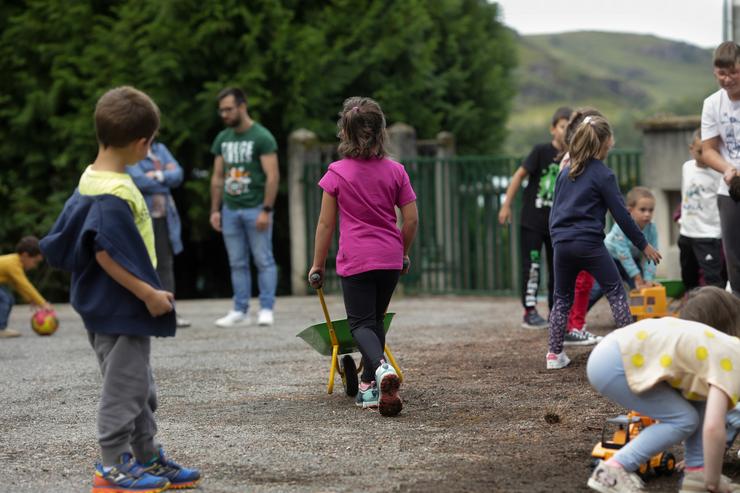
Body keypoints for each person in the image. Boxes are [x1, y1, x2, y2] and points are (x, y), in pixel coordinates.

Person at [39, 86, 200, 492]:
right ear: (142, 143)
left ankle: (145, 456)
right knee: (125, 388)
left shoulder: (92, 179)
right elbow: (105, 252)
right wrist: (148, 293)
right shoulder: (115, 193)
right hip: (123, 307)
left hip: (107, 305)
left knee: (139, 386)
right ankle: (112, 465)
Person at [308, 96, 418, 417]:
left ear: (344, 131)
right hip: (388, 259)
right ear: (382, 131)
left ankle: (382, 370)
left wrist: (318, 264)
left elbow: (326, 223)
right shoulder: (396, 171)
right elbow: (410, 220)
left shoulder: (337, 173)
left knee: (359, 325)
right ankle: (371, 388)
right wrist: (403, 253)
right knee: (375, 321)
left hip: (356, 260)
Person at [586, 286, 740, 493]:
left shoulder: (719, 350)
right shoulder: (733, 359)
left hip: (614, 352)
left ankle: (696, 473)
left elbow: (705, 412)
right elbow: (713, 428)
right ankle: (613, 469)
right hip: (615, 361)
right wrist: (713, 481)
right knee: (683, 419)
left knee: (697, 405)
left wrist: (701, 473)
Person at [547, 114, 661, 370]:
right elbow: (622, 214)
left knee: (561, 298)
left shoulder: (566, 172)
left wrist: (557, 240)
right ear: (605, 142)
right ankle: (631, 351)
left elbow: (555, 211)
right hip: (589, 244)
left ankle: (554, 355)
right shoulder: (603, 174)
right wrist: (644, 245)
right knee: (616, 293)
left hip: (562, 244)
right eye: (612, 138)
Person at [210, 87, 279, 327]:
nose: (224, 114)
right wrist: (215, 209)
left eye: (228, 109)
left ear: (242, 106)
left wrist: (266, 210)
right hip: (230, 208)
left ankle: (266, 308)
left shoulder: (262, 137)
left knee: (263, 259)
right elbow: (218, 177)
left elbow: (272, 176)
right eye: (221, 110)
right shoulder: (223, 139)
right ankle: (240, 309)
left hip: (255, 207)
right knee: (236, 261)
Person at [498, 107, 572, 329]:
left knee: (557, 268)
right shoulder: (541, 151)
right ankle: (529, 311)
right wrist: (506, 205)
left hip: (556, 224)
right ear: (553, 129)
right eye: (562, 126)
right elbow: (519, 176)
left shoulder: (571, 157)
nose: (565, 130)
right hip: (532, 222)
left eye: (570, 127)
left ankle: (555, 311)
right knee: (531, 267)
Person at [127, 140, 190, 328]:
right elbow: (138, 181)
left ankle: (169, 312)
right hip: (141, 216)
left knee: (165, 264)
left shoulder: (160, 149)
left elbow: (178, 175)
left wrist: (158, 175)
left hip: (164, 217)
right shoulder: (130, 149)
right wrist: (165, 180)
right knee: (141, 263)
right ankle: (143, 313)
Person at [557, 108, 605, 347]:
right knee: (580, 282)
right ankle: (573, 327)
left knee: (578, 282)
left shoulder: (573, 161)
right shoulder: (575, 163)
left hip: (573, 234)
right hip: (580, 234)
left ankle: (573, 327)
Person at [701, 41, 740, 298]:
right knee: (735, 258)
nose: (727, 80)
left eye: (733, 73)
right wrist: (728, 169)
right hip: (731, 188)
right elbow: (708, 149)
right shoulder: (712, 104)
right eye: (721, 75)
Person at [588, 187, 660, 306]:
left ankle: (639, 315)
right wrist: (637, 277)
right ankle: (574, 316)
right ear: (630, 210)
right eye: (642, 210)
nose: (647, 214)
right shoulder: (620, 227)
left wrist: (648, 278)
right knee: (597, 290)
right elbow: (623, 254)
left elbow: (653, 255)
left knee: (640, 288)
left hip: (631, 259)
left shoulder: (652, 229)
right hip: (609, 259)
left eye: (650, 210)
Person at [679, 130, 727, 291]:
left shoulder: (718, 173)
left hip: (708, 234)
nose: (705, 156)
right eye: (701, 151)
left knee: (713, 279)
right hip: (686, 233)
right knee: (688, 276)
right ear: (691, 149)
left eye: (709, 152)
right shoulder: (687, 167)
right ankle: (691, 309)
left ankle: (718, 313)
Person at [0, 236, 52, 338]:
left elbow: (17, 285)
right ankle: (0, 328)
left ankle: (1, 327)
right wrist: (42, 303)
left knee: (8, 298)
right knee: (4, 299)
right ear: (25, 255)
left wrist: (30, 299)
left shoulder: (15, 262)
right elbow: (25, 285)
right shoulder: (13, 264)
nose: (35, 266)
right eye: (35, 262)